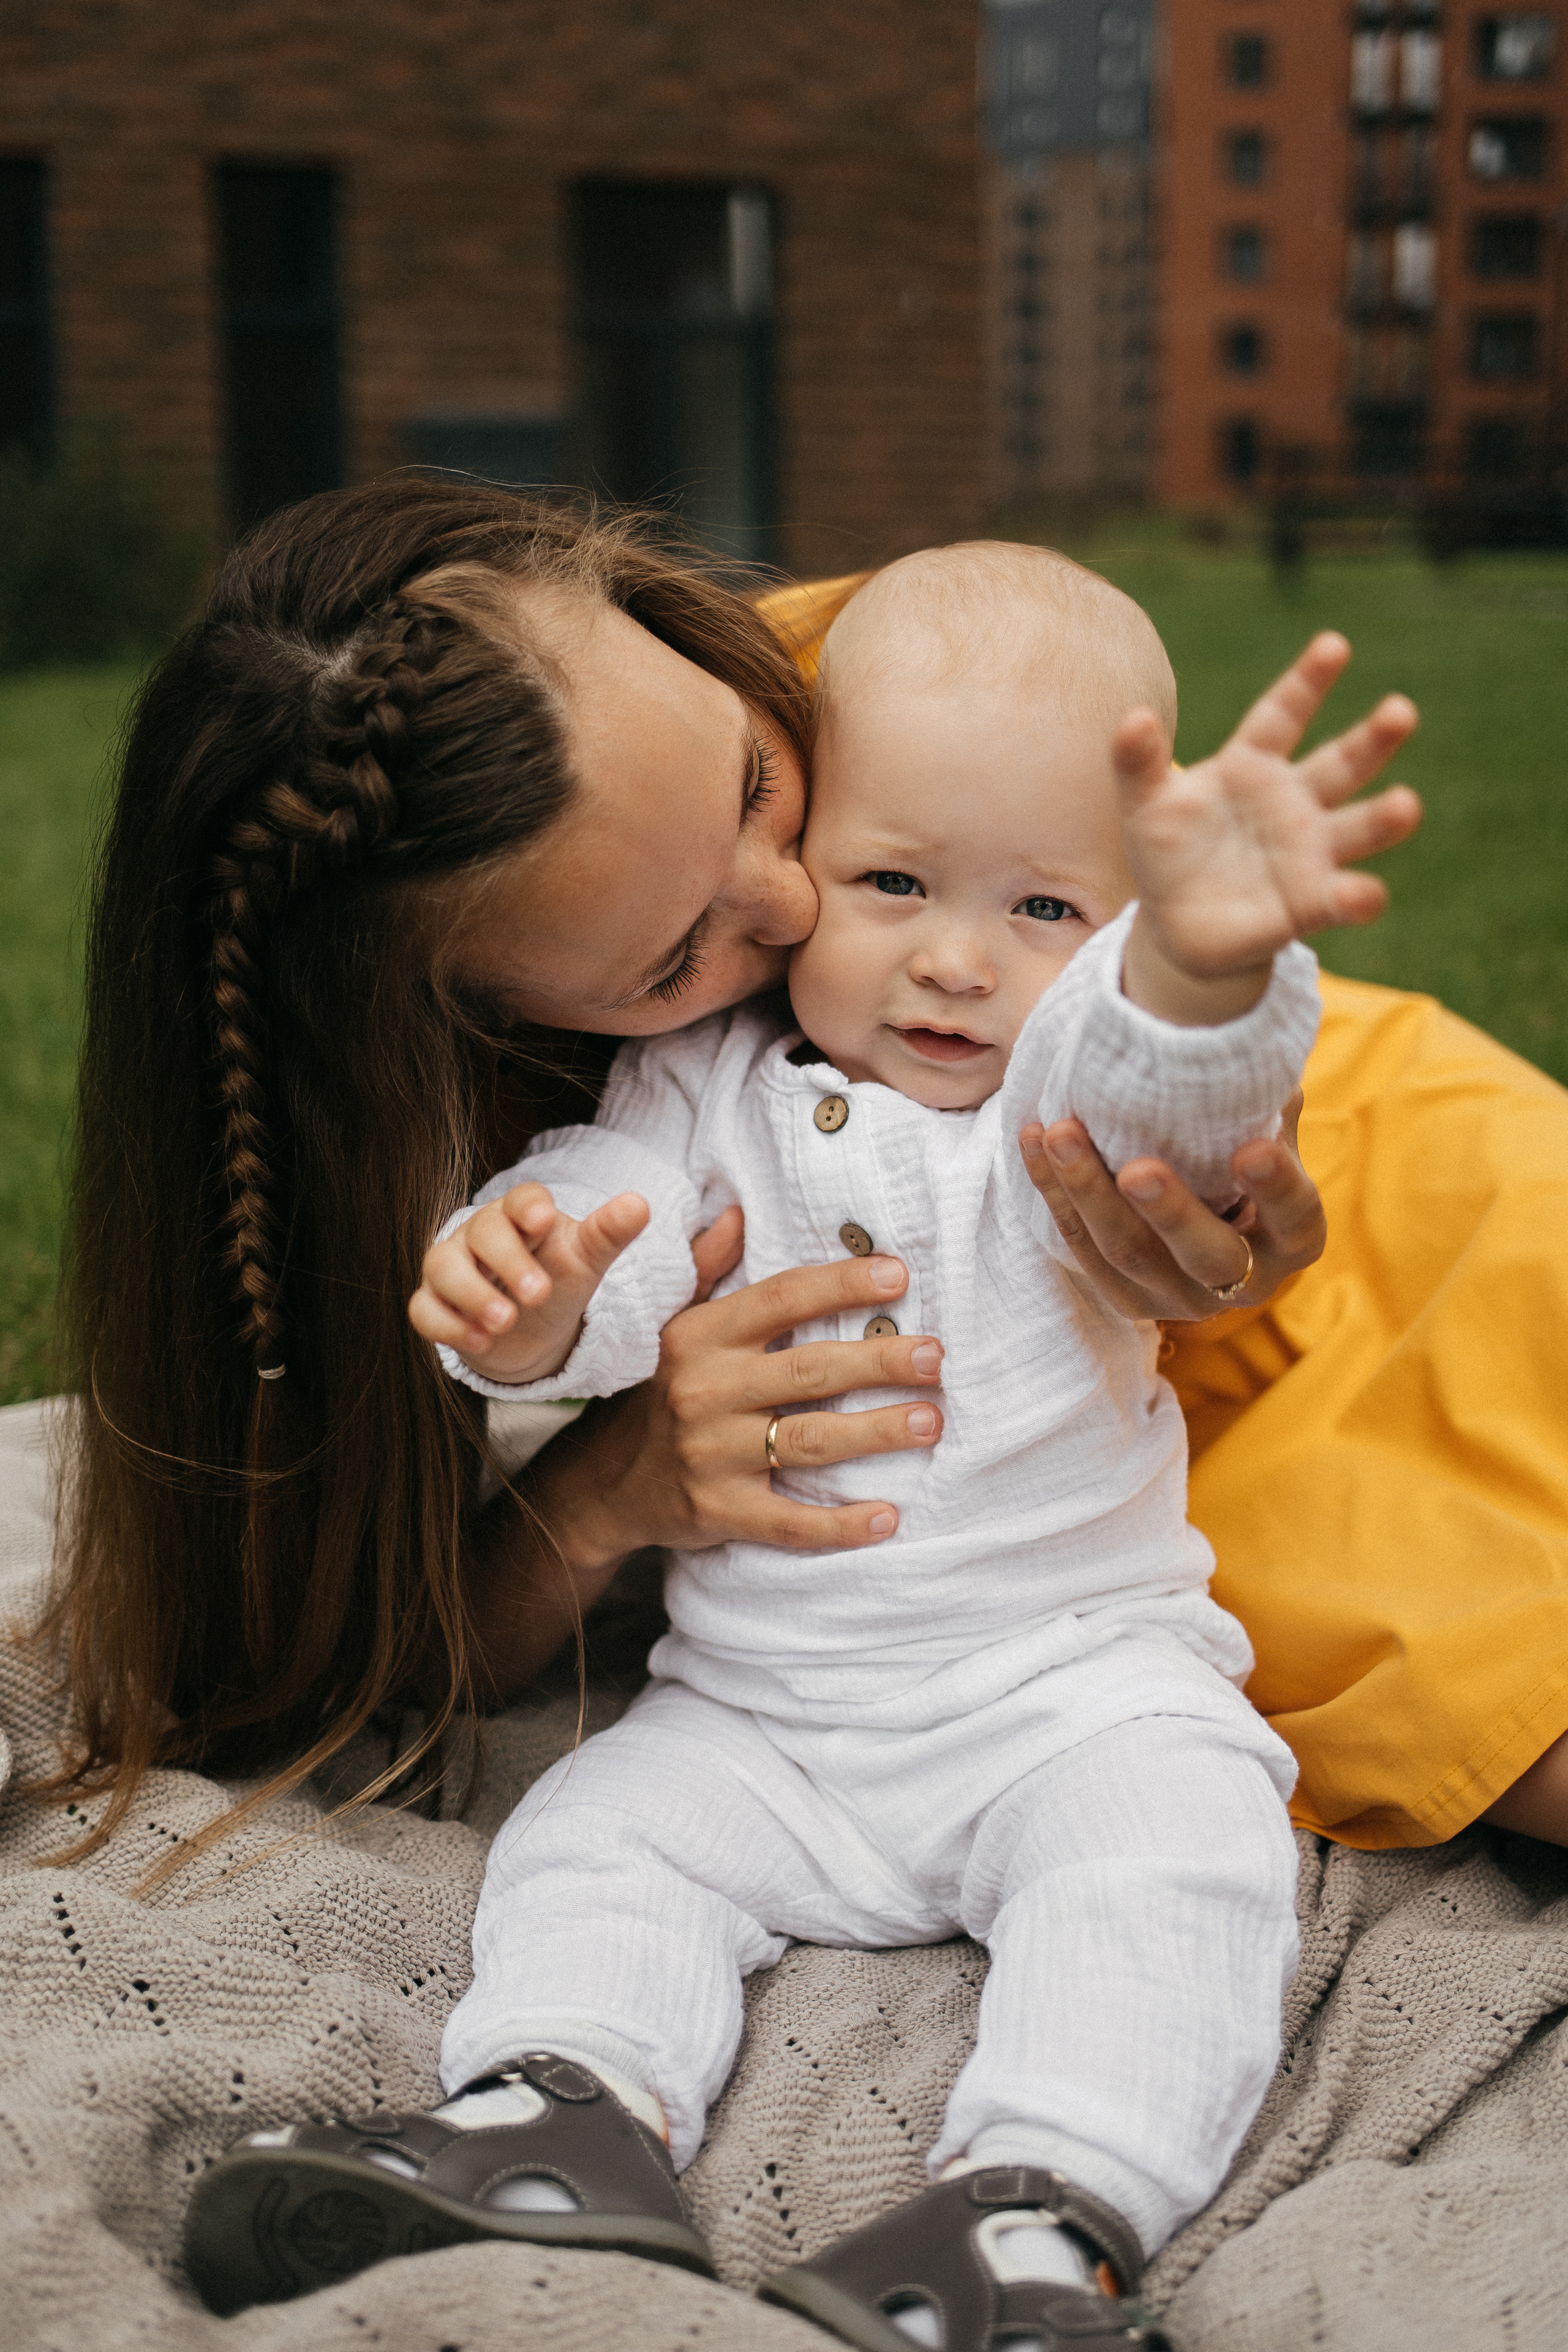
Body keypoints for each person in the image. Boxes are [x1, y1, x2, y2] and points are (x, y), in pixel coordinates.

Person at [184, 545, 1420, 2352]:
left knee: (1179, 1850)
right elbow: (615, 1218)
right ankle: (560, 2115)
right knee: (599, 1838)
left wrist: (1210, 973)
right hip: (765, 1714)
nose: (950, 957)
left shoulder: (1059, 1082)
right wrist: (534, 1289)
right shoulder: (707, 1076)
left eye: (1044, 911)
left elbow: (1174, 1100)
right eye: (894, 879)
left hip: (1068, 1684)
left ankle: (1044, 2207)